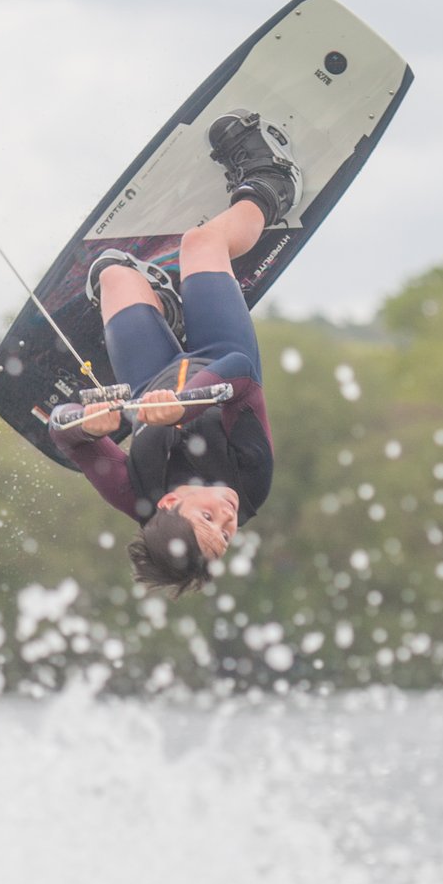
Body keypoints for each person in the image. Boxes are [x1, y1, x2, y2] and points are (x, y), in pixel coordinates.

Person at [49, 109, 301, 596]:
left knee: (112, 274)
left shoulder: (136, 493)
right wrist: (185, 404)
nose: (228, 515)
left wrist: (86, 424)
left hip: (151, 378)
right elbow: (241, 375)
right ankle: (270, 186)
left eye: (208, 517)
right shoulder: (252, 482)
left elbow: (64, 437)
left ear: (167, 506)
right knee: (200, 243)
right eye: (227, 533)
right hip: (220, 351)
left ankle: (163, 303)